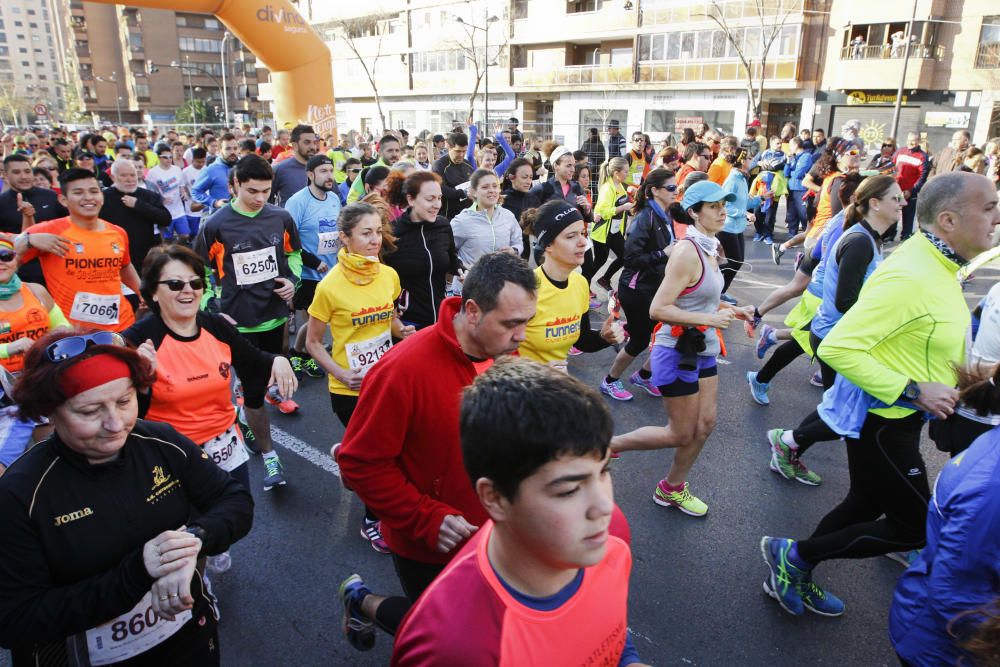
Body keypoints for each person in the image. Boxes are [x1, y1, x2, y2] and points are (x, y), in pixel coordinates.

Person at [760, 171, 1000, 618]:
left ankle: (796, 563)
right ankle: (793, 556)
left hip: (900, 418)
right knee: (913, 527)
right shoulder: (911, 275)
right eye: (988, 208)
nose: (998, 217)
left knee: (864, 502)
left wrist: (971, 377)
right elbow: (838, 346)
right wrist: (914, 388)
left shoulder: (940, 263)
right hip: (884, 421)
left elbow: (921, 338)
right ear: (948, 220)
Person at [0, 329, 254, 665]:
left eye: (124, 401)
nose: (115, 423)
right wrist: (137, 573)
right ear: (51, 411)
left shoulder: (161, 442)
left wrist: (193, 541)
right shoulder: (21, 493)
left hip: (188, 643)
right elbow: (15, 619)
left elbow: (234, 499)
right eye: (90, 411)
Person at [337, 252, 538, 650]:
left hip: (497, 536)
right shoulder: (403, 369)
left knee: (488, 631)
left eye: (527, 322)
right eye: (512, 324)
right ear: (473, 311)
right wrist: (425, 517)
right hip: (430, 546)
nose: (522, 336)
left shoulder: (504, 356)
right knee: (442, 636)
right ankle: (361, 601)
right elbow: (359, 463)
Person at [390, 358, 648, 666]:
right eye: (568, 490)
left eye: (604, 471)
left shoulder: (613, 533)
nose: (604, 507)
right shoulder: (453, 647)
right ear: (495, 498)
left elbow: (610, 630)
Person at [125, 244, 293, 569]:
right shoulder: (140, 339)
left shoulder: (215, 325)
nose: (187, 290)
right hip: (171, 457)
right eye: (175, 284)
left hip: (224, 446)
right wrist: (138, 378)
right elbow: (118, 401)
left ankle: (211, 551)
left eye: (195, 283)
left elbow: (253, 359)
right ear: (154, 293)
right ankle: (199, 595)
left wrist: (279, 361)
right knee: (188, 541)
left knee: (233, 517)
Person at [609, 181, 754, 517]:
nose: (723, 211)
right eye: (714, 206)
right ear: (694, 212)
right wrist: (708, 316)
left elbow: (705, 299)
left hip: (701, 347)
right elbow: (658, 309)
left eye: (724, 205)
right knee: (679, 432)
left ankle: (672, 488)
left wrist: (733, 310)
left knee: (706, 424)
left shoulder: (710, 248)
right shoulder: (688, 251)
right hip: (674, 348)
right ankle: (609, 445)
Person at [306, 203, 412, 552]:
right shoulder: (329, 287)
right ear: (345, 238)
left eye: (378, 231)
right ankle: (372, 520)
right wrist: (340, 372)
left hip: (386, 379)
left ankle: (347, 453)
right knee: (378, 458)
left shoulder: (388, 275)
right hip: (349, 389)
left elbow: (390, 317)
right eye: (366, 233)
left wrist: (403, 331)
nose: (374, 240)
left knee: (388, 450)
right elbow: (312, 343)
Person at [195, 154, 303, 488]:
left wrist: (292, 281)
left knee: (268, 376)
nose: (260, 199)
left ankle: (244, 411)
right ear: (235, 185)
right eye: (252, 191)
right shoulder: (215, 225)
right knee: (256, 390)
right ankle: (271, 457)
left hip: (274, 318)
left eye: (266, 191)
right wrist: (211, 305)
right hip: (237, 323)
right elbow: (196, 271)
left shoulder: (281, 217)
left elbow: (293, 255)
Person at [889, 366, 1000, 666]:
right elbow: (954, 592)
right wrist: (910, 390)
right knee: (896, 523)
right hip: (942, 648)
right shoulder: (992, 487)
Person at [13, 168, 140, 333]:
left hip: (121, 325)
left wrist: (141, 291)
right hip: (73, 332)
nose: (88, 197)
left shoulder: (117, 232)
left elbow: (125, 266)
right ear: (63, 200)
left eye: (94, 191)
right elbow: (8, 261)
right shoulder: (48, 231)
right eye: (78, 192)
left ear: (102, 196)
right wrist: (28, 240)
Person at [600, 168, 678, 401]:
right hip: (636, 289)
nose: (676, 191)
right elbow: (631, 259)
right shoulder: (645, 217)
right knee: (641, 338)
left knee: (668, 333)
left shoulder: (665, 213)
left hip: (655, 287)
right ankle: (610, 381)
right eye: (671, 188)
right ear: (655, 190)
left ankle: (644, 375)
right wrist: (663, 254)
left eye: (677, 187)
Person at [517, 201, 624, 369]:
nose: (583, 242)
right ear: (548, 245)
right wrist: (534, 370)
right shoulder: (524, 289)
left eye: (582, 233)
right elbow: (492, 352)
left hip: (556, 386)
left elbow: (583, 340)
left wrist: (604, 337)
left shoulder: (580, 284)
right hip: (521, 389)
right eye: (571, 236)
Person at [284, 155, 342, 379]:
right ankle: (300, 356)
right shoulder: (297, 201)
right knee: (313, 322)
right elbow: (289, 240)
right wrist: (313, 262)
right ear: (310, 175)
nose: (330, 176)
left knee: (321, 322)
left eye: (331, 170)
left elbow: (337, 233)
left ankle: (301, 354)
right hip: (308, 272)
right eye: (324, 171)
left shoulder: (334, 199)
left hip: (332, 270)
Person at [383, 171, 459, 329]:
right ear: (411, 199)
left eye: (439, 198)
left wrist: (462, 270)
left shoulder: (443, 225)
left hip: (440, 320)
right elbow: (382, 280)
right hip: (408, 324)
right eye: (430, 199)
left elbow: (451, 260)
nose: (437, 205)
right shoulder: (392, 233)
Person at [450, 169, 522, 296]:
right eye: (485, 187)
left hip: (500, 288)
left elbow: (518, 242)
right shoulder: (461, 221)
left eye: (495, 186)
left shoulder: (507, 216)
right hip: (470, 290)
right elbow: (448, 252)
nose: (492, 190)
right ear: (473, 192)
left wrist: (514, 251)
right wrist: (464, 268)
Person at [99, 159, 172, 278]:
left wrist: (139, 205)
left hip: (144, 255)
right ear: (113, 177)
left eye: (132, 175)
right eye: (123, 175)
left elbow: (165, 219)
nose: (130, 179)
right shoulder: (103, 198)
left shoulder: (148, 195)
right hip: (114, 255)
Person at [719, 151, 770, 296]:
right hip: (727, 227)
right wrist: (745, 214)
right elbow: (726, 205)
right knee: (735, 263)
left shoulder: (742, 178)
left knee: (737, 262)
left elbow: (744, 201)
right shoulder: (733, 179)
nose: (751, 160)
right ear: (742, 161)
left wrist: (761, 198)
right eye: (748, 158)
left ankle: (720, 291)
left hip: (737, 227)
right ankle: (711, 280)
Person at [590, 156, 632, 294]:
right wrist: (623, 208)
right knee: (599, 261)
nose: (628, 173)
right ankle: (583, 283)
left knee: (625, 256)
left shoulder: (619, 185)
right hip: (603, 233)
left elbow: (622, 204)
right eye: (626, 171)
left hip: (614, 232)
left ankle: (605, 279)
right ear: (616, 173)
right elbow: (603, 212)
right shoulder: (607, 188)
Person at [145, 146, 189, 243]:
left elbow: (181, 185)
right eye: (165, 157)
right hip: (164, 212)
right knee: (166, 239)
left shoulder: (177, 170)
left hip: (179, 210)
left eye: (170, 157)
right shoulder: (152, 173)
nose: (169, 159)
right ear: (159, 157)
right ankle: (171, 253)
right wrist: (160, 199)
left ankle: (176, 249)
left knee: (185, 235)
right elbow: (148, 192)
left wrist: (184, 193)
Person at [190, 133, 240, 214]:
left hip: (241, 217)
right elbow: (195, 192)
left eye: (235, 148)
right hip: (221, 219)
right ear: (220, 150)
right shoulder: (211, 170)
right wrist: (214, 203)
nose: (232, 152)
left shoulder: (243, 166)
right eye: (228, 148)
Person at [431, 132, 475, 220]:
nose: (461, 155)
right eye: (458, 151)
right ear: (449, 147)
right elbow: (441, 189)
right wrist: (464, 193)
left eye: (464, 151)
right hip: (449, 216)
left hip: (469, 214)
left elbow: (474, 185)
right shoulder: (439, 165)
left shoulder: (468, 164)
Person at [271, 124, 318, 206]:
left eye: (314, 142)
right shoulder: (280, 169)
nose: (313, 147)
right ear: (295, 145)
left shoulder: (322, 168)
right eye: (307, 142)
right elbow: (267, 199)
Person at [179, 146, 207, 239]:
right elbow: (182, 186)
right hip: (190, 209)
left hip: (204, 208)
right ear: (192, 160)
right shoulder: (186, 172)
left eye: (203, 161)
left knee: (202, 234)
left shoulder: (207, 170)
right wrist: (185, 193)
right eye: (198, 162)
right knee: (192, 233)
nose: (201, 164)